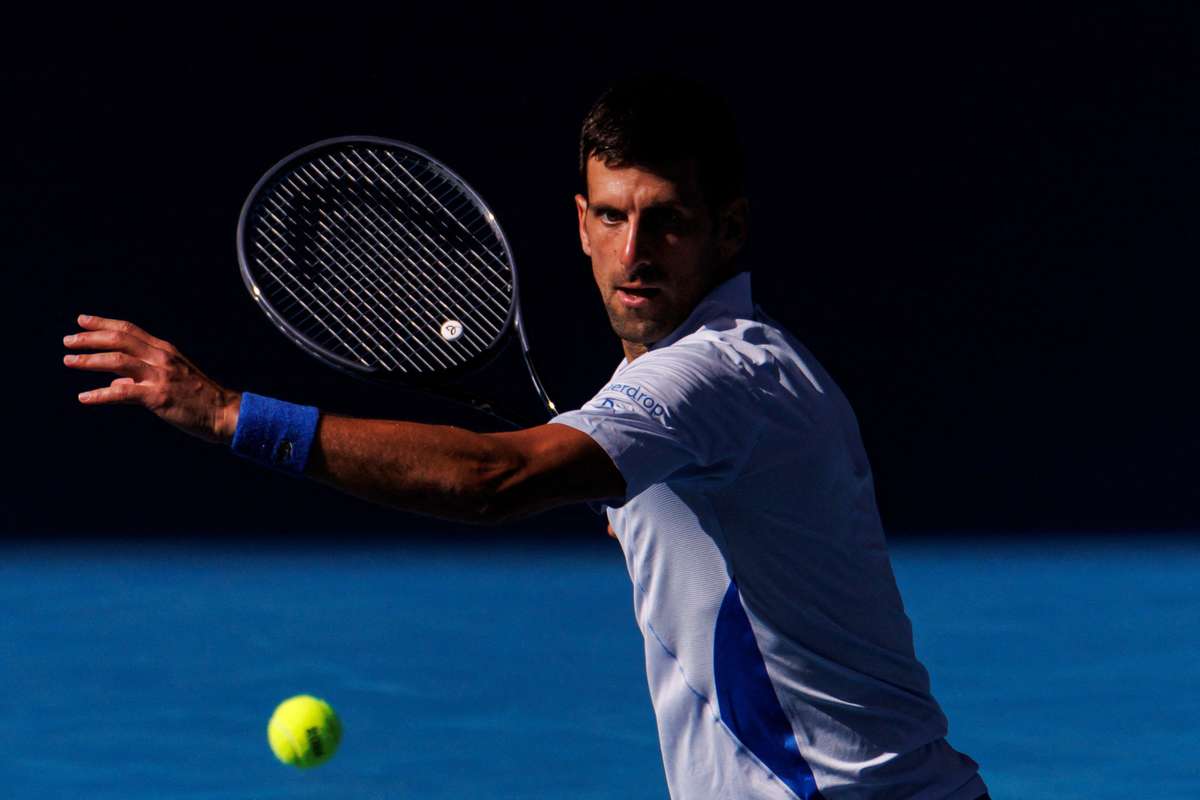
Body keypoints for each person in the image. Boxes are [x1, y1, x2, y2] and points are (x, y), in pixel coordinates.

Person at [62, 75, 989, 799]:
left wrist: (233, 416)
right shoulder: (718, 379)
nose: (635, 253)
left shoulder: (711, 375)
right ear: (580, 225)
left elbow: (492, 479)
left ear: (728, 228)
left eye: (667, 221)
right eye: (614, 217)